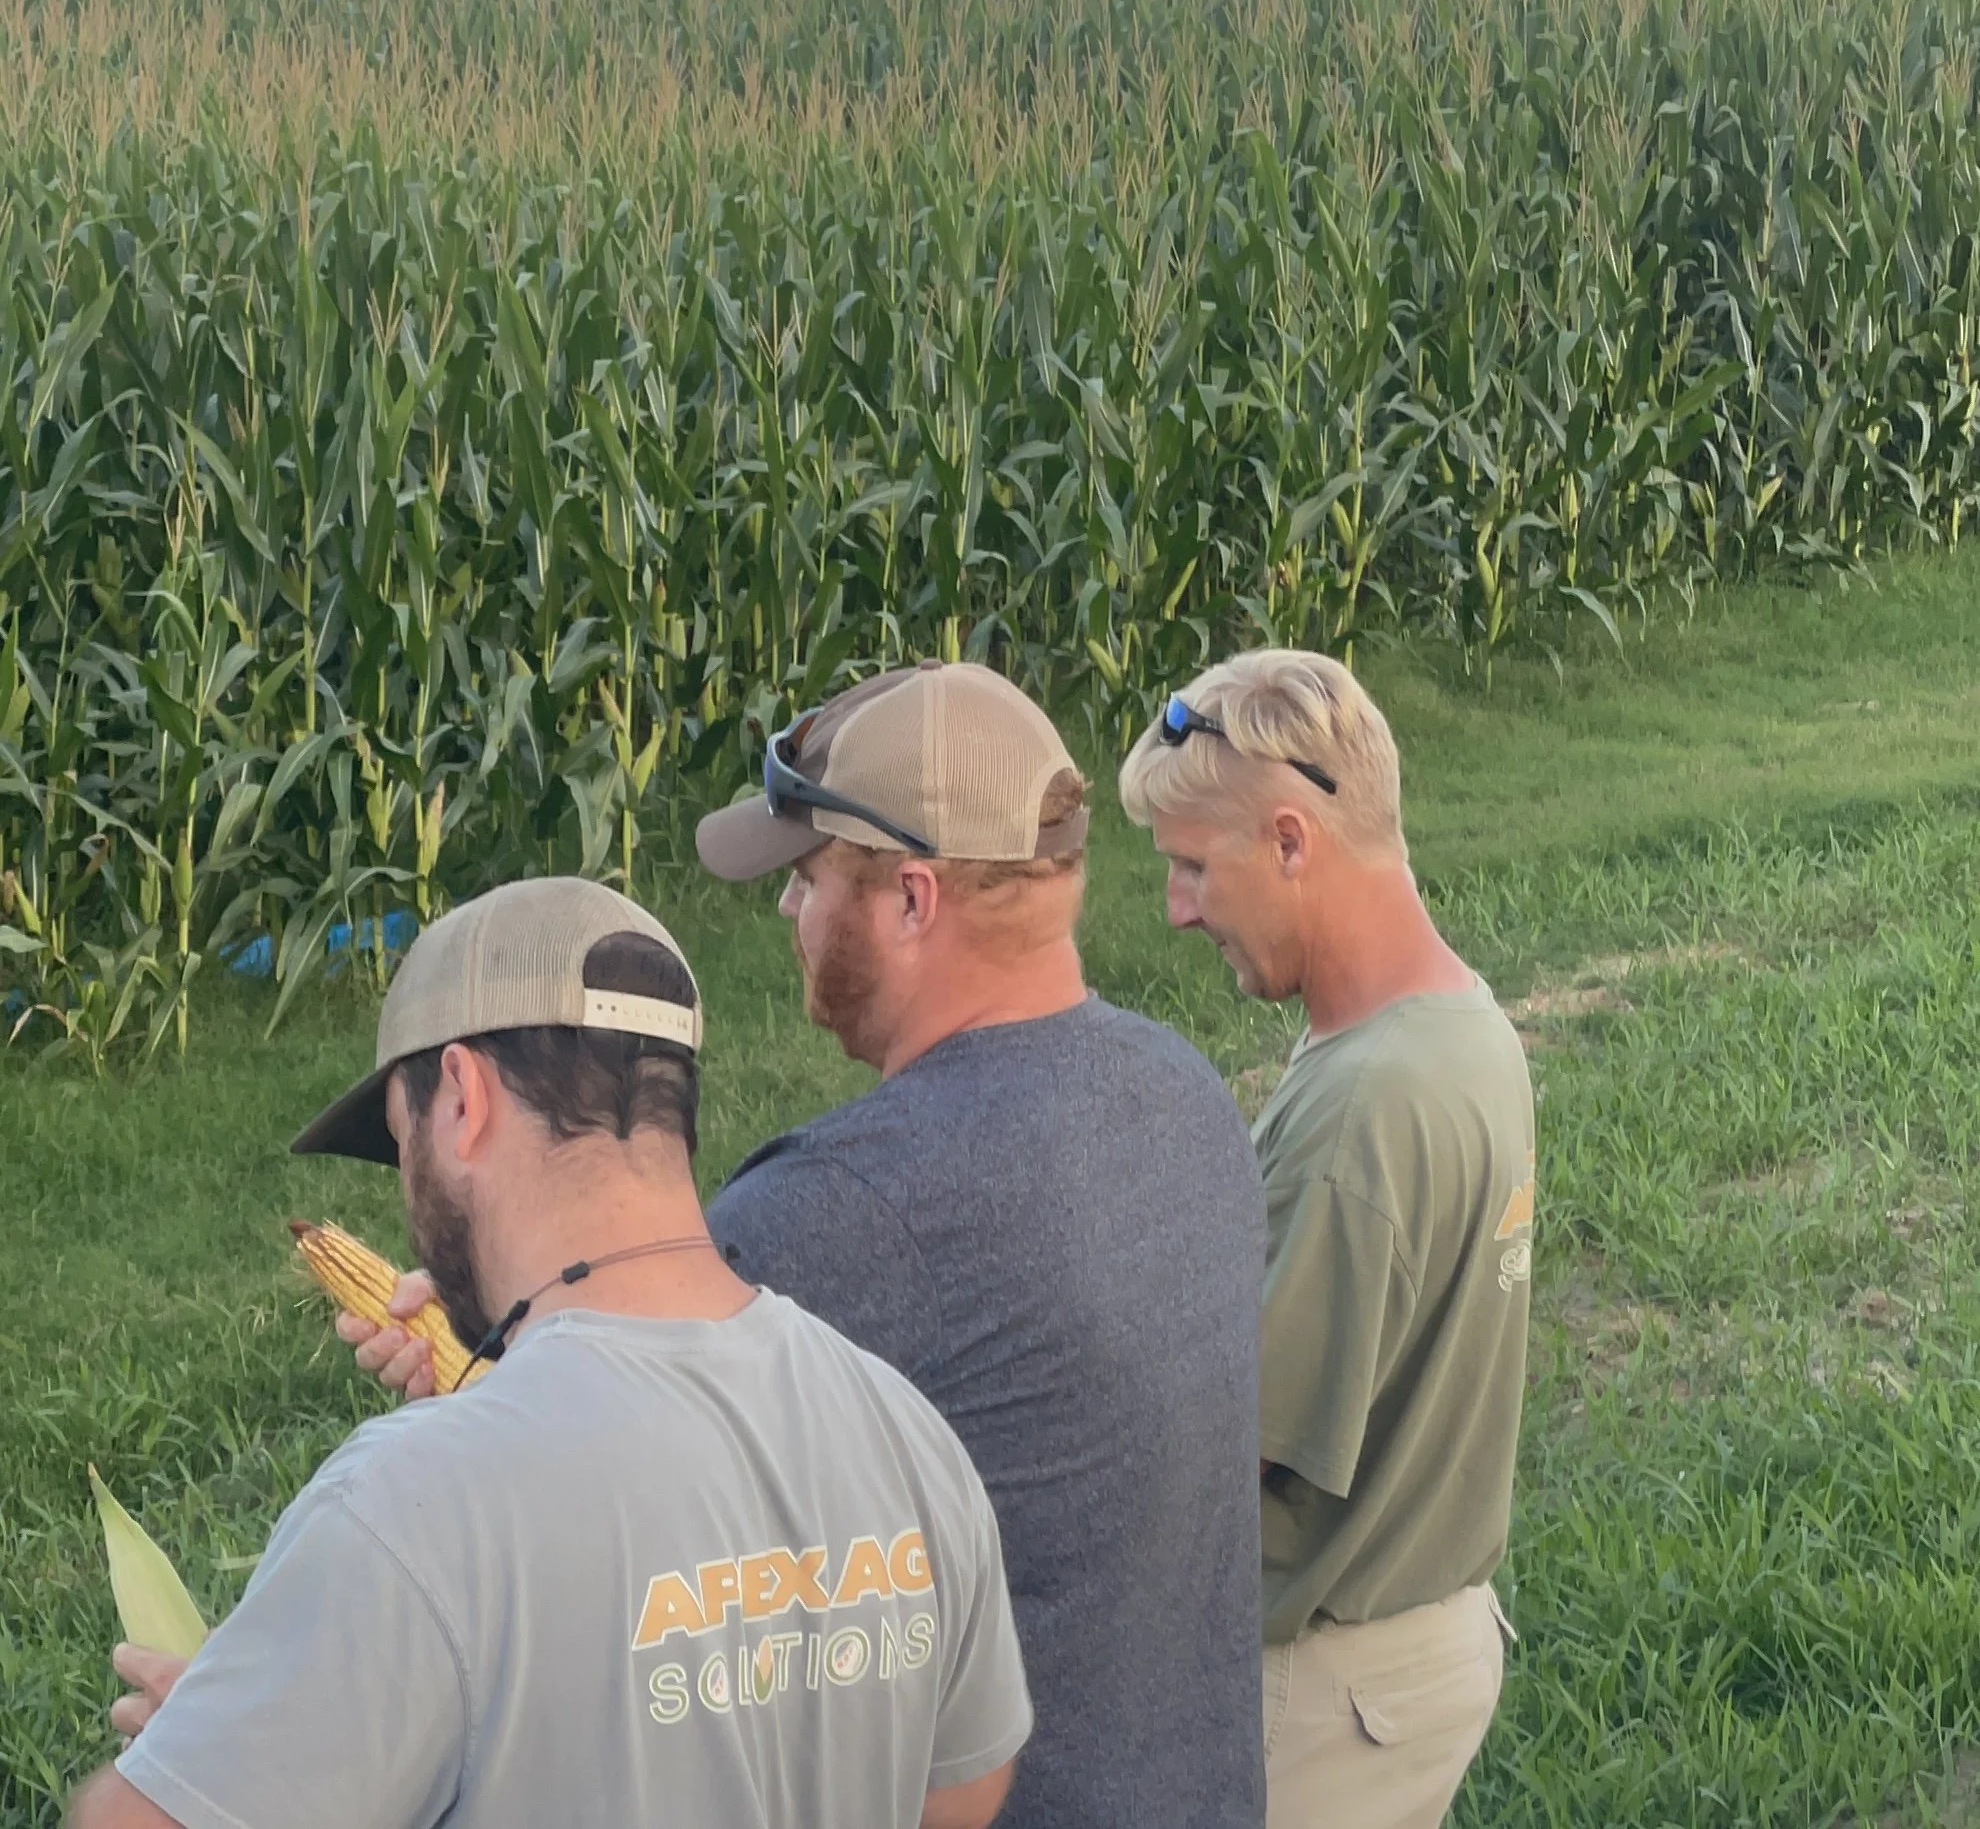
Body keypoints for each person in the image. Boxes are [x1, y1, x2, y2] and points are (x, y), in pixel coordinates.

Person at [346, 661, 1268, 1829]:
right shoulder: (1186, 1097)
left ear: (913, 900)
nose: (788, 911)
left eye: (810, 876)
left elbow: (595, 1570)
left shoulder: (841, 1212)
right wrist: (523, 1355)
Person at [70, 877, 1030, 1829]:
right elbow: (960, 1796)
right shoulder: (904, 1432)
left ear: (462, 1096)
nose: (407, 1192)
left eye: (402, 1145)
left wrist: (280, 1740)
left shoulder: (412, 1515)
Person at [1118, 651, 1534, 1829]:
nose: (1178, 907)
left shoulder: (1366, 1108)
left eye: (1194, 865)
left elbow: (1227, 1456)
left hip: (1322, 1691)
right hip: (1423, 1643)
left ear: (1292, 841)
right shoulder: (1463, 1027)